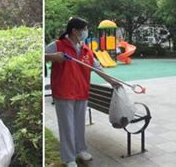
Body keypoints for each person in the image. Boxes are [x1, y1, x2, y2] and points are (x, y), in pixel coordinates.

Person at [45, 17, 120, 167]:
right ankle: (69, 158)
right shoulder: (57, 45)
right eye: (84, 29)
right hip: (64, 92)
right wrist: (53, 56)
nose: (86, 32)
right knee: (67, 126)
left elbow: (97, 68)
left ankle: (81, 150)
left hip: (81, 91)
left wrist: (113, 81)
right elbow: (41, 57)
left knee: (79, 124)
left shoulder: (87, 50)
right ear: (74, 31)